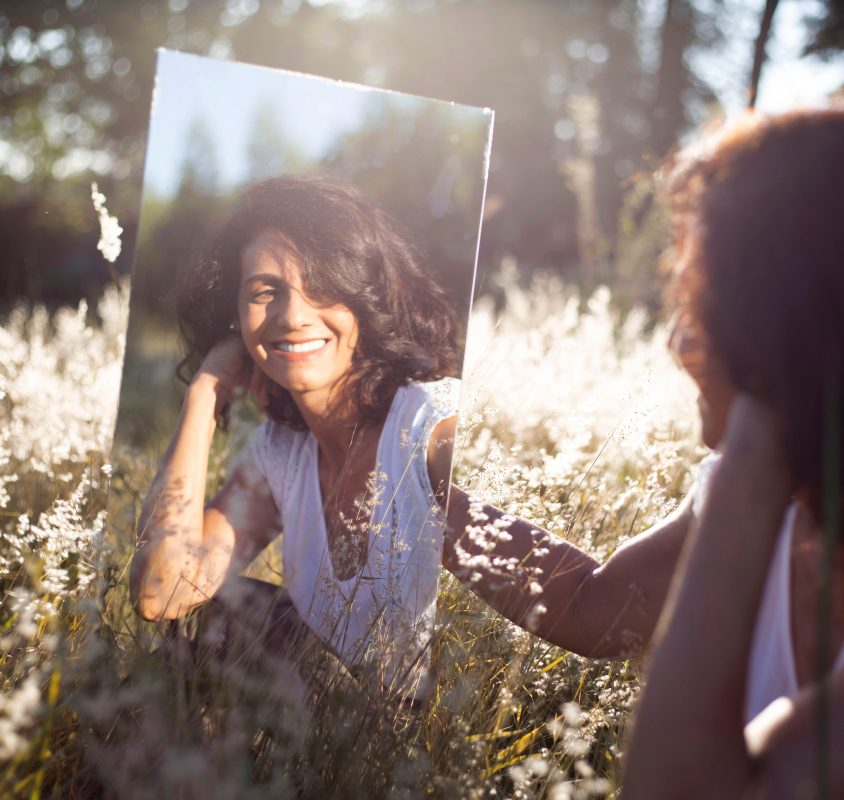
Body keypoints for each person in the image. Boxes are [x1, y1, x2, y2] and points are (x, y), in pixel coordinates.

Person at [440, 109, 844, 796]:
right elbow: (594, 608)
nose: (677, 342)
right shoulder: (760, 503)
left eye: (705, 302)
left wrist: (760, 436)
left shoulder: (751, 485)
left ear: (792, 319)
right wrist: (430, 505)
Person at [130, 175, 462, 698]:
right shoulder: (281, 454)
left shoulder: (432, 424)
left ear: (367, 299)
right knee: (210, 617)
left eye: (324, 285)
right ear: (235, 318)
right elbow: (162, 592)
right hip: (342, 742)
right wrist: (206, 390)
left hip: (445, 744)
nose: (293, 315)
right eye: (265, 291)